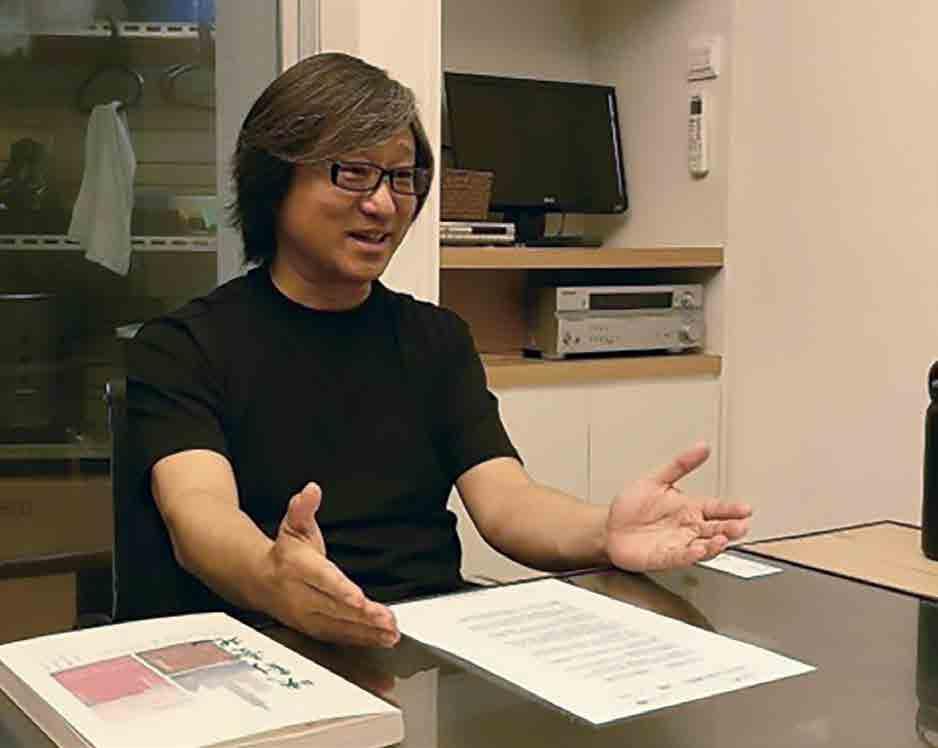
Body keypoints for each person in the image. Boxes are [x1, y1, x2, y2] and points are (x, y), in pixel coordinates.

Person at [127, 52, 751, 649]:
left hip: (424, 641)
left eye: (401, 177)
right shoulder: (184, 346)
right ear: (275, 180)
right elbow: (199, 515)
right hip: (270, 642)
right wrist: (274, 578)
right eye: (352, 172)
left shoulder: (436, 339)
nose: (382, 204)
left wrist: (604, 530)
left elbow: (507, 502)